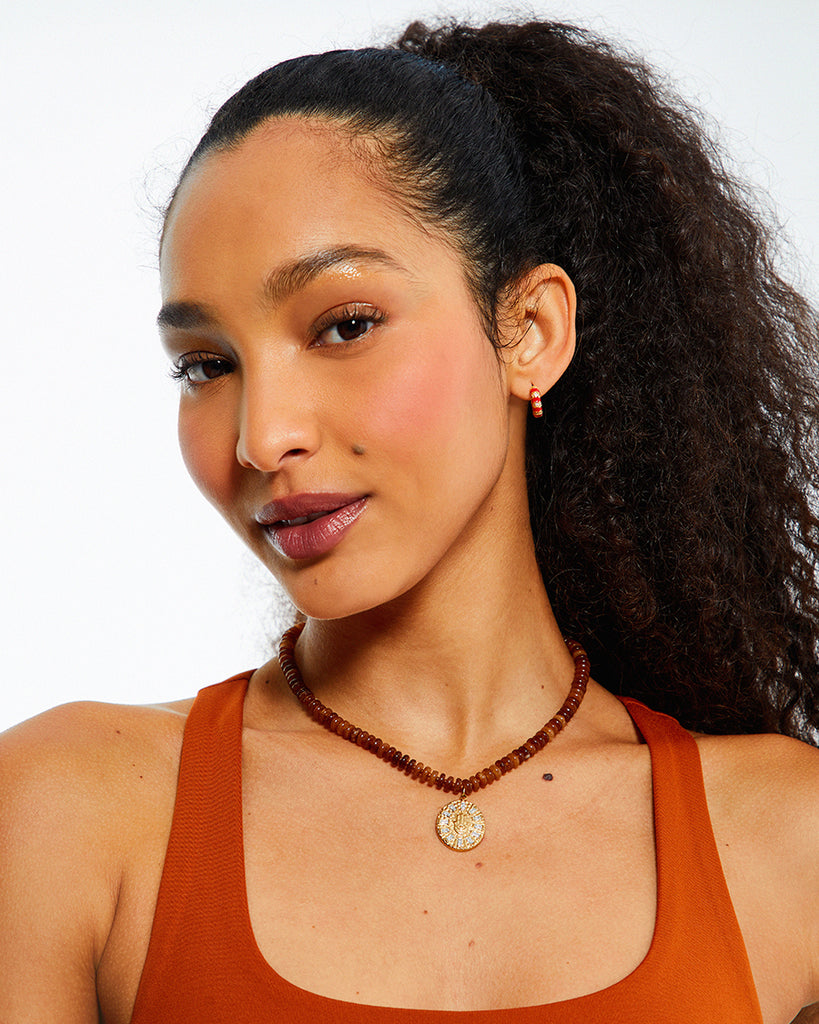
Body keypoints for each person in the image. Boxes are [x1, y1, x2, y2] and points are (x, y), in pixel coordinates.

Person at [1, 17, 818, 1024]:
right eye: (207, 365)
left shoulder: (787, 843)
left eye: (344, 326)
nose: (262, 436)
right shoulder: (66, 816)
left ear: (530, 331)